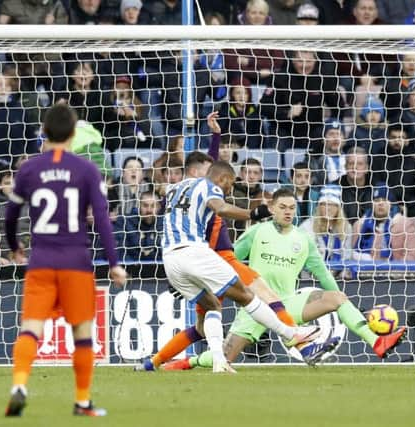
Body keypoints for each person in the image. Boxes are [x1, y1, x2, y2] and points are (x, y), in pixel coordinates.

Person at [136, 112, 318, 371]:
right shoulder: (210, 186)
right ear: (221, 179)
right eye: (230, 183)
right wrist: (254, 213)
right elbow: (219, 206)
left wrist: (216, 136)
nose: (230, 188)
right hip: (198, 253)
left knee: (211, 307)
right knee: (247, 295)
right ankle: (292, 335)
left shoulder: (174, 188)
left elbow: (203, 174)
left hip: (170, 259)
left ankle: (216, 362)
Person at [162, 188, 406, 370]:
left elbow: (323, 276)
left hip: (288, 304)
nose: (288, 211)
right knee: (225, 357)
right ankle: (189, 362)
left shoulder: (303, 239)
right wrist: (198, 276)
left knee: (337, 297)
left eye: (292, 207)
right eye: (283, 207)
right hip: (254, 307)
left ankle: (377, 343)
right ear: (272, 209)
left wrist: (348, 304)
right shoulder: (257, 231)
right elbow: (227, 260)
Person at [4, 104, 128, 417]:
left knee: (30, 329)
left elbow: (10, 214)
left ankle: (19, 384)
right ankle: (82, 401)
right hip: (76, 261)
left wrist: (14, 246)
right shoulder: (86, 170)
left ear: (43, 132)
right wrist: (114, 262)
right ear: (73, 134)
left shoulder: (29, 169)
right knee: (82, 334)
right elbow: (101, 220)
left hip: (41, 260)